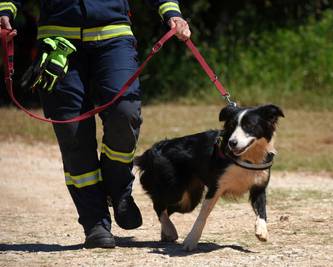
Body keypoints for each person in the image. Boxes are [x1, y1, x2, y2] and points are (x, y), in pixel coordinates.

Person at [0, 0, 190, 249]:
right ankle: (95, 222)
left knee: (125, 113)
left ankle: (118, 186)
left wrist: (172, 13)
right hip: (58, 41)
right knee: (73, 134)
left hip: (113, 35)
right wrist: (4, 10)